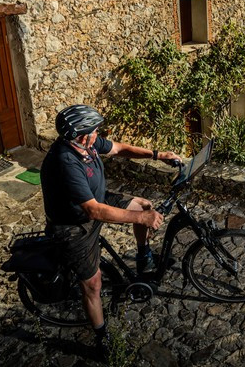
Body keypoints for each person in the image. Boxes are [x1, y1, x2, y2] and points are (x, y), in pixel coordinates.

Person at [40, 104, 179, 357]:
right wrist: (141, 218)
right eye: (94, 131)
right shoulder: (65, 162)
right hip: (74, 226)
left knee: (143, 204)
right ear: (82, 135)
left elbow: (118, 148)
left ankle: (143, 257)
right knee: (93, 284)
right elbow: (94, 211)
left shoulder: (86, 144)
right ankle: (102, 338)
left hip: (97, 200)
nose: (98, 134)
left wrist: (158, 154)